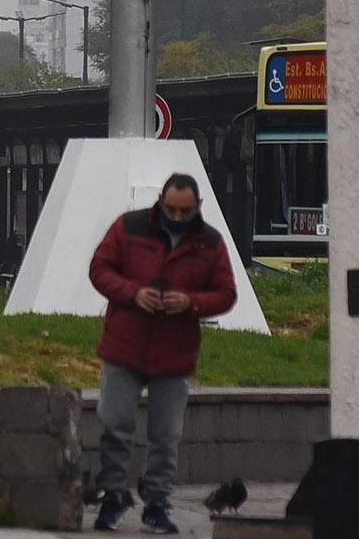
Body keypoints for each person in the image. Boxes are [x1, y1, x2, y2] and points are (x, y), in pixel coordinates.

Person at [87, 172, 239, 535]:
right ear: (160, 200)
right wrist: (132, 293)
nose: (176, 216)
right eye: (170, 208)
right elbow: (99, 269)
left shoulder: (211, 243)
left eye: (184, 211)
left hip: (174, 352)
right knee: (113, 423)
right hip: (125, 345)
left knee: (166, 434)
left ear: (197, 207)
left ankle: (156, 501)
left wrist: (191, 303)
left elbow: (227, 293)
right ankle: (113, 495)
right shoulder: (128, 227)